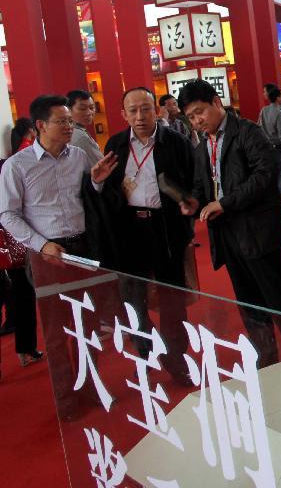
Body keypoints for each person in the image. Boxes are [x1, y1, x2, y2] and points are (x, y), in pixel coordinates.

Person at [178, 79, 281, 366]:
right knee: (249, 302)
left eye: (200, 112)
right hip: (228, 237)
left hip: (259, 233)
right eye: (190, 117)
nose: (197, 121)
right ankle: (266, 359)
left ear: (217, 102)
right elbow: (201, 186)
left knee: (280, 299)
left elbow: (265, 176)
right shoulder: (202, 145)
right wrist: (193, 203)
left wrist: (224, 203)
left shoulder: (247, 132)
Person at [0, 95, 118, 417]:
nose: (69, 126)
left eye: (69, 121)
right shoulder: (16, 166)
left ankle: (91, 384)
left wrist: (95, 182)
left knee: (90, 323)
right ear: (40, 125)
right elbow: (7, 215)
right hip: (48, 254)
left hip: (83, 249)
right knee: (56, 331)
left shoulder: (78, 156)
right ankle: (66, 399)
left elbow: (88, 197)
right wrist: (41, 245)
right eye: (62, 121)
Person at [102, 87, 194, 384]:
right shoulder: (116, 145)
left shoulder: (176, 142)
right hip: (130, 231)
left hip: (165, 229)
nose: (140, 116)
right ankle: (146, 356)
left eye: (145, 109)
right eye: (133, 111)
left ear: (157, 110)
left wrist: (187, 201)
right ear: (123, 115)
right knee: (132, 301)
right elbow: (108, 191)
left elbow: (192, 181)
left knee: (172, 300)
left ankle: (177, 359)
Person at [259, 84, 281, 197]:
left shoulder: (263, 110)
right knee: (280, 173)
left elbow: (260, 127)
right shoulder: (280, 113)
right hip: (278, 147)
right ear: (277, 98)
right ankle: (279, 197)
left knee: (273, 173)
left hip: (267, 147)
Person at [66, 90, 104, 164]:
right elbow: (101, 165)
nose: (89, 113)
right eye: (82, 109)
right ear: (69, 110)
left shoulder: (68, 131)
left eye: (91, 107)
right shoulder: (80, 137)